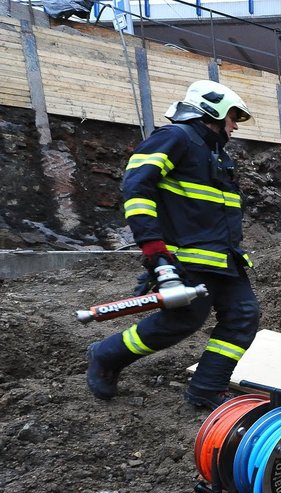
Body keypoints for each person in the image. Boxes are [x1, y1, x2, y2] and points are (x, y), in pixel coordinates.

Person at [86, 80, 259, 410]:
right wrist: (154, 250)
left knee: (243, 315)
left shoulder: (217, 155)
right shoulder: (175, 138)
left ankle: (208, 388)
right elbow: (137, 189)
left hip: (224, 259)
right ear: (214, 110)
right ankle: (106, 355)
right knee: (182, 322)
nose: (236, 125)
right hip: (186, 258)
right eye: (233, 117)